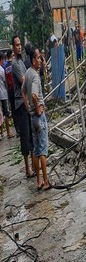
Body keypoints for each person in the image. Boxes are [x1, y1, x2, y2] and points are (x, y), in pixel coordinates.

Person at [23, 47, 50, 191]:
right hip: (39, 118)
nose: (40, 60)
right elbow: (33, 95)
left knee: (35, 150)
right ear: (34, 60)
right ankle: (46, 181)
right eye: (39, 58)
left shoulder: (27, 73)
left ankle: (38, 180)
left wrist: (29, 109)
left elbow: (23, 92)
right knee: (43, 150)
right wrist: (37, 108)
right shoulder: (34, 76)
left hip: (32, 117)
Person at [11, 35, 34, 178]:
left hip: (27, 102)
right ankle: (27, 168)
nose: (19, 47)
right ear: (13, 47)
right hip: (21, 103)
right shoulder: (14, 64)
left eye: (20, 44)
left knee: (30, 134)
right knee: (25, 136)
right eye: (17, 45)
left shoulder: (22, 62)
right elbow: (24, 80)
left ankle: (33, 164)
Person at [0, 52, 14, 138]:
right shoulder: (2, 70)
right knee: (6, 114)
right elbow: (5, 82)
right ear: (1, 60)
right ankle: (8, 132)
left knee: (0, 114)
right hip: (3, 95)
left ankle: (1, 133)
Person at [3, 49, 17, 132]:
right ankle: (19, 128)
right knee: (18, 109)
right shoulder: (15, 64)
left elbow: (5, 80)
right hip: (16, 89)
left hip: (10, 90)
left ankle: (17, 128)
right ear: (11, 55)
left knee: (13, 110)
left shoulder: (5, 67)